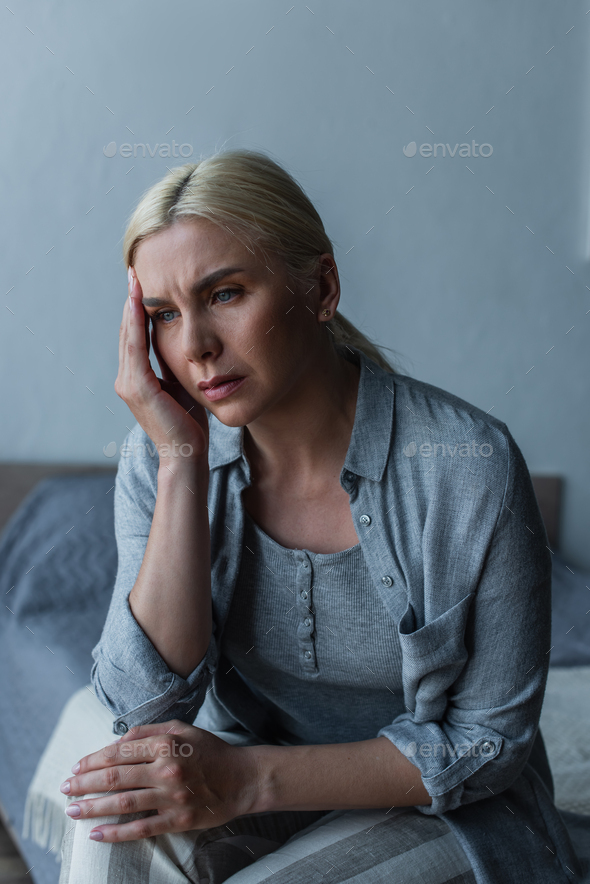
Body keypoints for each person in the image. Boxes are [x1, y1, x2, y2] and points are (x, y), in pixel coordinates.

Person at [58, 149, 582, 883]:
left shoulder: (469, 464)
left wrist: (246, 780)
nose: (196, 346)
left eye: (227, 293)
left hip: (447, 810)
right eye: (164, 316)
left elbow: (487, 743)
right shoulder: (161, 452)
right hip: (255, 777)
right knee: (111, 833)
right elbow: (141, 706)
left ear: (322, 288)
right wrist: (179, 463)